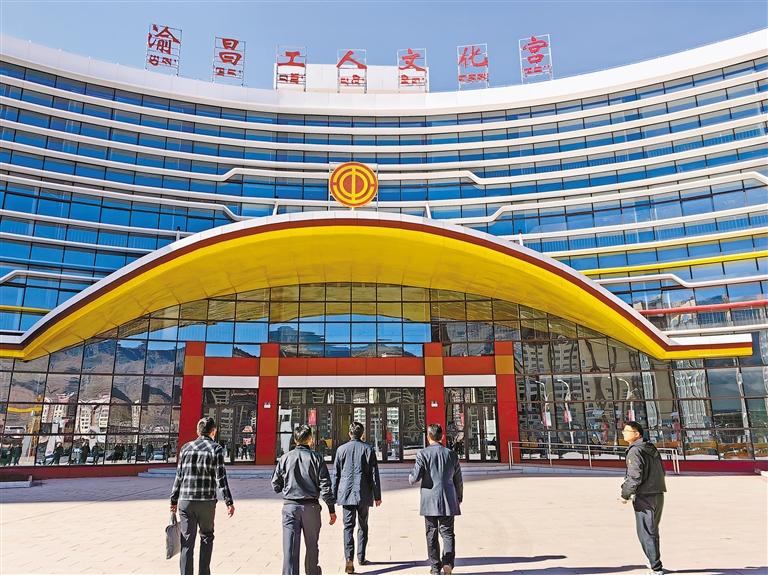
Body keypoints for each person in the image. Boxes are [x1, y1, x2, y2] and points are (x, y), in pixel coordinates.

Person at [170, 417, 235, 575]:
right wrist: (228, 501)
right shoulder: (216, 449)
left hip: (186, 501)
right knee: (206, 537)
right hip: (206, 502)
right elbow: (221, 478)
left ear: (197, 431)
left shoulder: (185, 448)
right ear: (213, 431)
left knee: (187, 541)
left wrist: (173, 500)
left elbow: (179, 476)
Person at [271, 424, 336, 575]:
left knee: (289, 548)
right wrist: (331, 510)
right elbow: (326, 487)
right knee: (312, 546)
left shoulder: (285, 458)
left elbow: (275, 484)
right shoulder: (317, 458)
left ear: (295, 440)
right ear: (310, 439)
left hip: (290, 507)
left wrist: (286, 486)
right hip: (311, 508)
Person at [409, 423, 463, 575]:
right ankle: (448, 563)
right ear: (442, 436)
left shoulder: (423, 454)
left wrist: (410, 477)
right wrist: (458, 497)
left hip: (429, 500)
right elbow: (458, 480)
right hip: (448, 499)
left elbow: (415, 477)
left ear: (428, 437)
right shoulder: (451, 454)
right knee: (448, 533)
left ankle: (434, 567)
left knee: (431, 533)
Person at [333, 421, 382, 574]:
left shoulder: (341, 450)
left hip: (346, 494)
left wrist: (333, 496)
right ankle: (361, 557)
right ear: (362, 434)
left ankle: (349, 559)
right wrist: (377, 495)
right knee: (363, 525)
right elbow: (374, 475)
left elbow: (336, 474)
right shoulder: (368, 449)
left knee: (348, 527)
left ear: (349, 433)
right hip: (363, 493)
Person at [620, 421, 667, 575]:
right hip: (658, 493)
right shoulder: (650, 447)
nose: (623, 433)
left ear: (637, 434)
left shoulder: (635, 450)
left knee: (646, 532)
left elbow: (634, 476)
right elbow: (662, 470)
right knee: (652, 530)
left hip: (644, 495)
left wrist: (625, 493)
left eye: (627, 431)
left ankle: (656, 567)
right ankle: (653, 560)